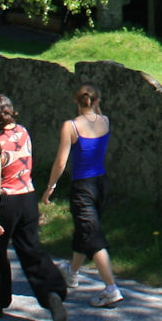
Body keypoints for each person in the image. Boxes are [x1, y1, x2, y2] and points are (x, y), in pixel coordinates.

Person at [0, 94, 67, 320]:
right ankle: (52, 293)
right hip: (28, 198)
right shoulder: (23, 131)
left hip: (6, 201)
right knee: (31, 250)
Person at [42, 83, 124, 308]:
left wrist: (51, 186)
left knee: (93, 236)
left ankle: (111, 289)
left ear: (76, 102)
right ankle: (72, 272)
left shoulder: (70, 126)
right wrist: (96, 106)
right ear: (97, 102)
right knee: (85, 230)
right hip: (102, 185)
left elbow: (61, 162)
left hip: (83, 188)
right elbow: (97, 115)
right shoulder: (105, 121)